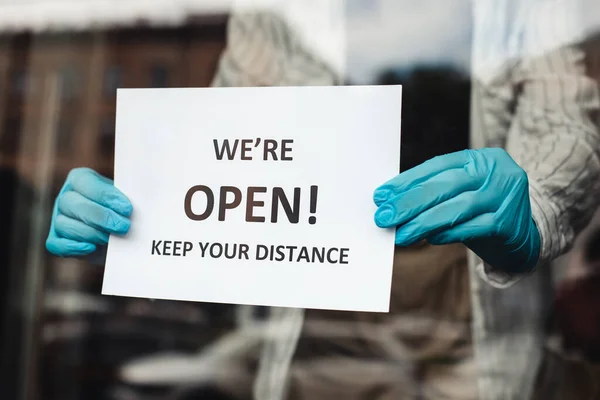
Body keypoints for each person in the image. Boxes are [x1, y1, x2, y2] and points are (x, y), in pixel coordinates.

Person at [45, 1, 600, 399]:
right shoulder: (274, 13)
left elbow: (565, 123)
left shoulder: (526, 11)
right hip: (314, 339)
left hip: (467, 339)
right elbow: (227, 151)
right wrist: (134, 208)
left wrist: (535, 203)